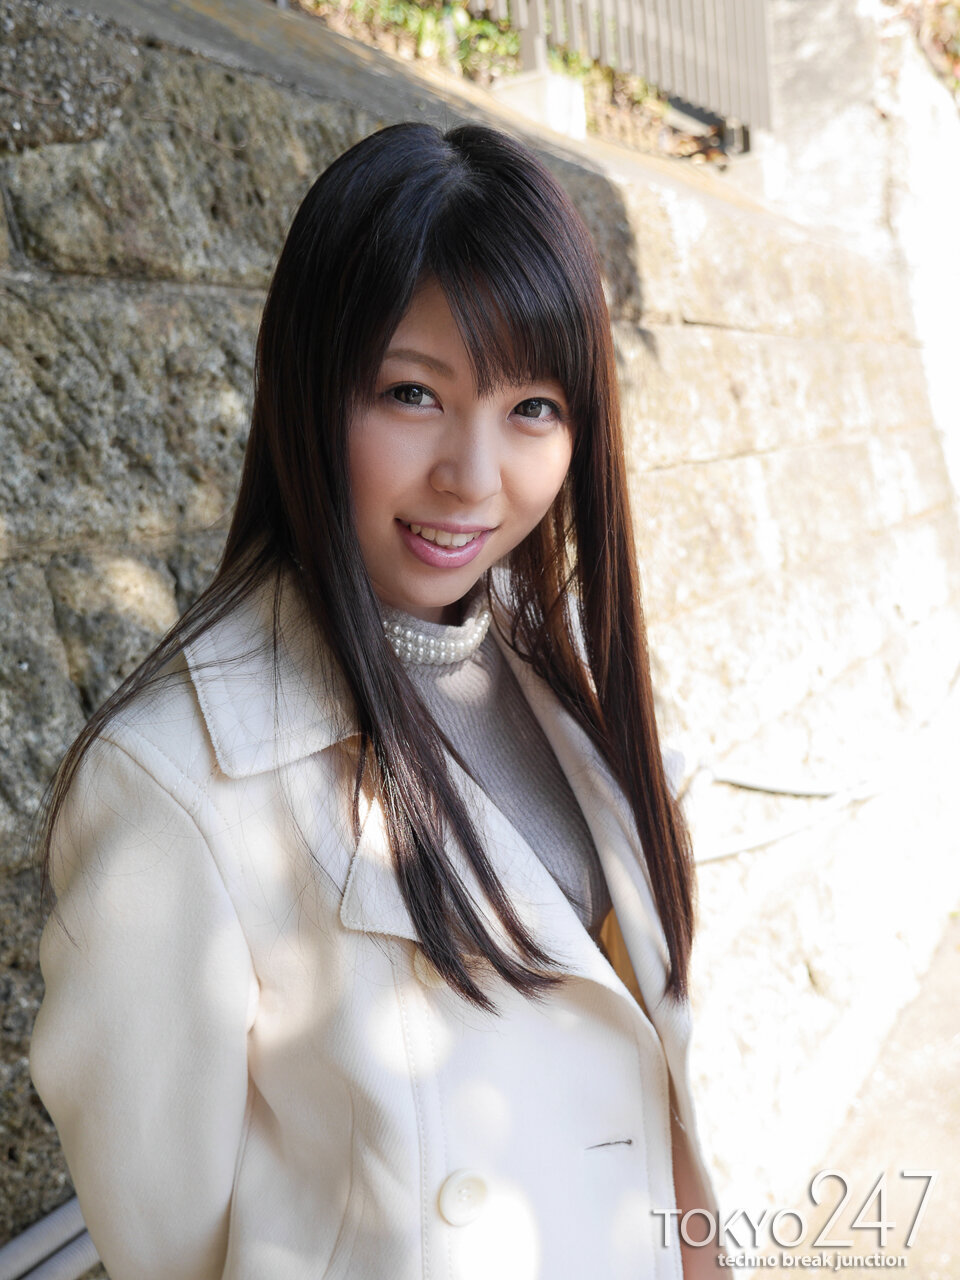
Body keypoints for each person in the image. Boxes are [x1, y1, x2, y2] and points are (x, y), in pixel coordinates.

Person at [30, 121, 722, 1280]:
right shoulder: (175, 782)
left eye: (533, 407)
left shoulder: (559, 674)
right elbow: (171, 1242)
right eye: (412, 392)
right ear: (308, 385)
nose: (474, 477)